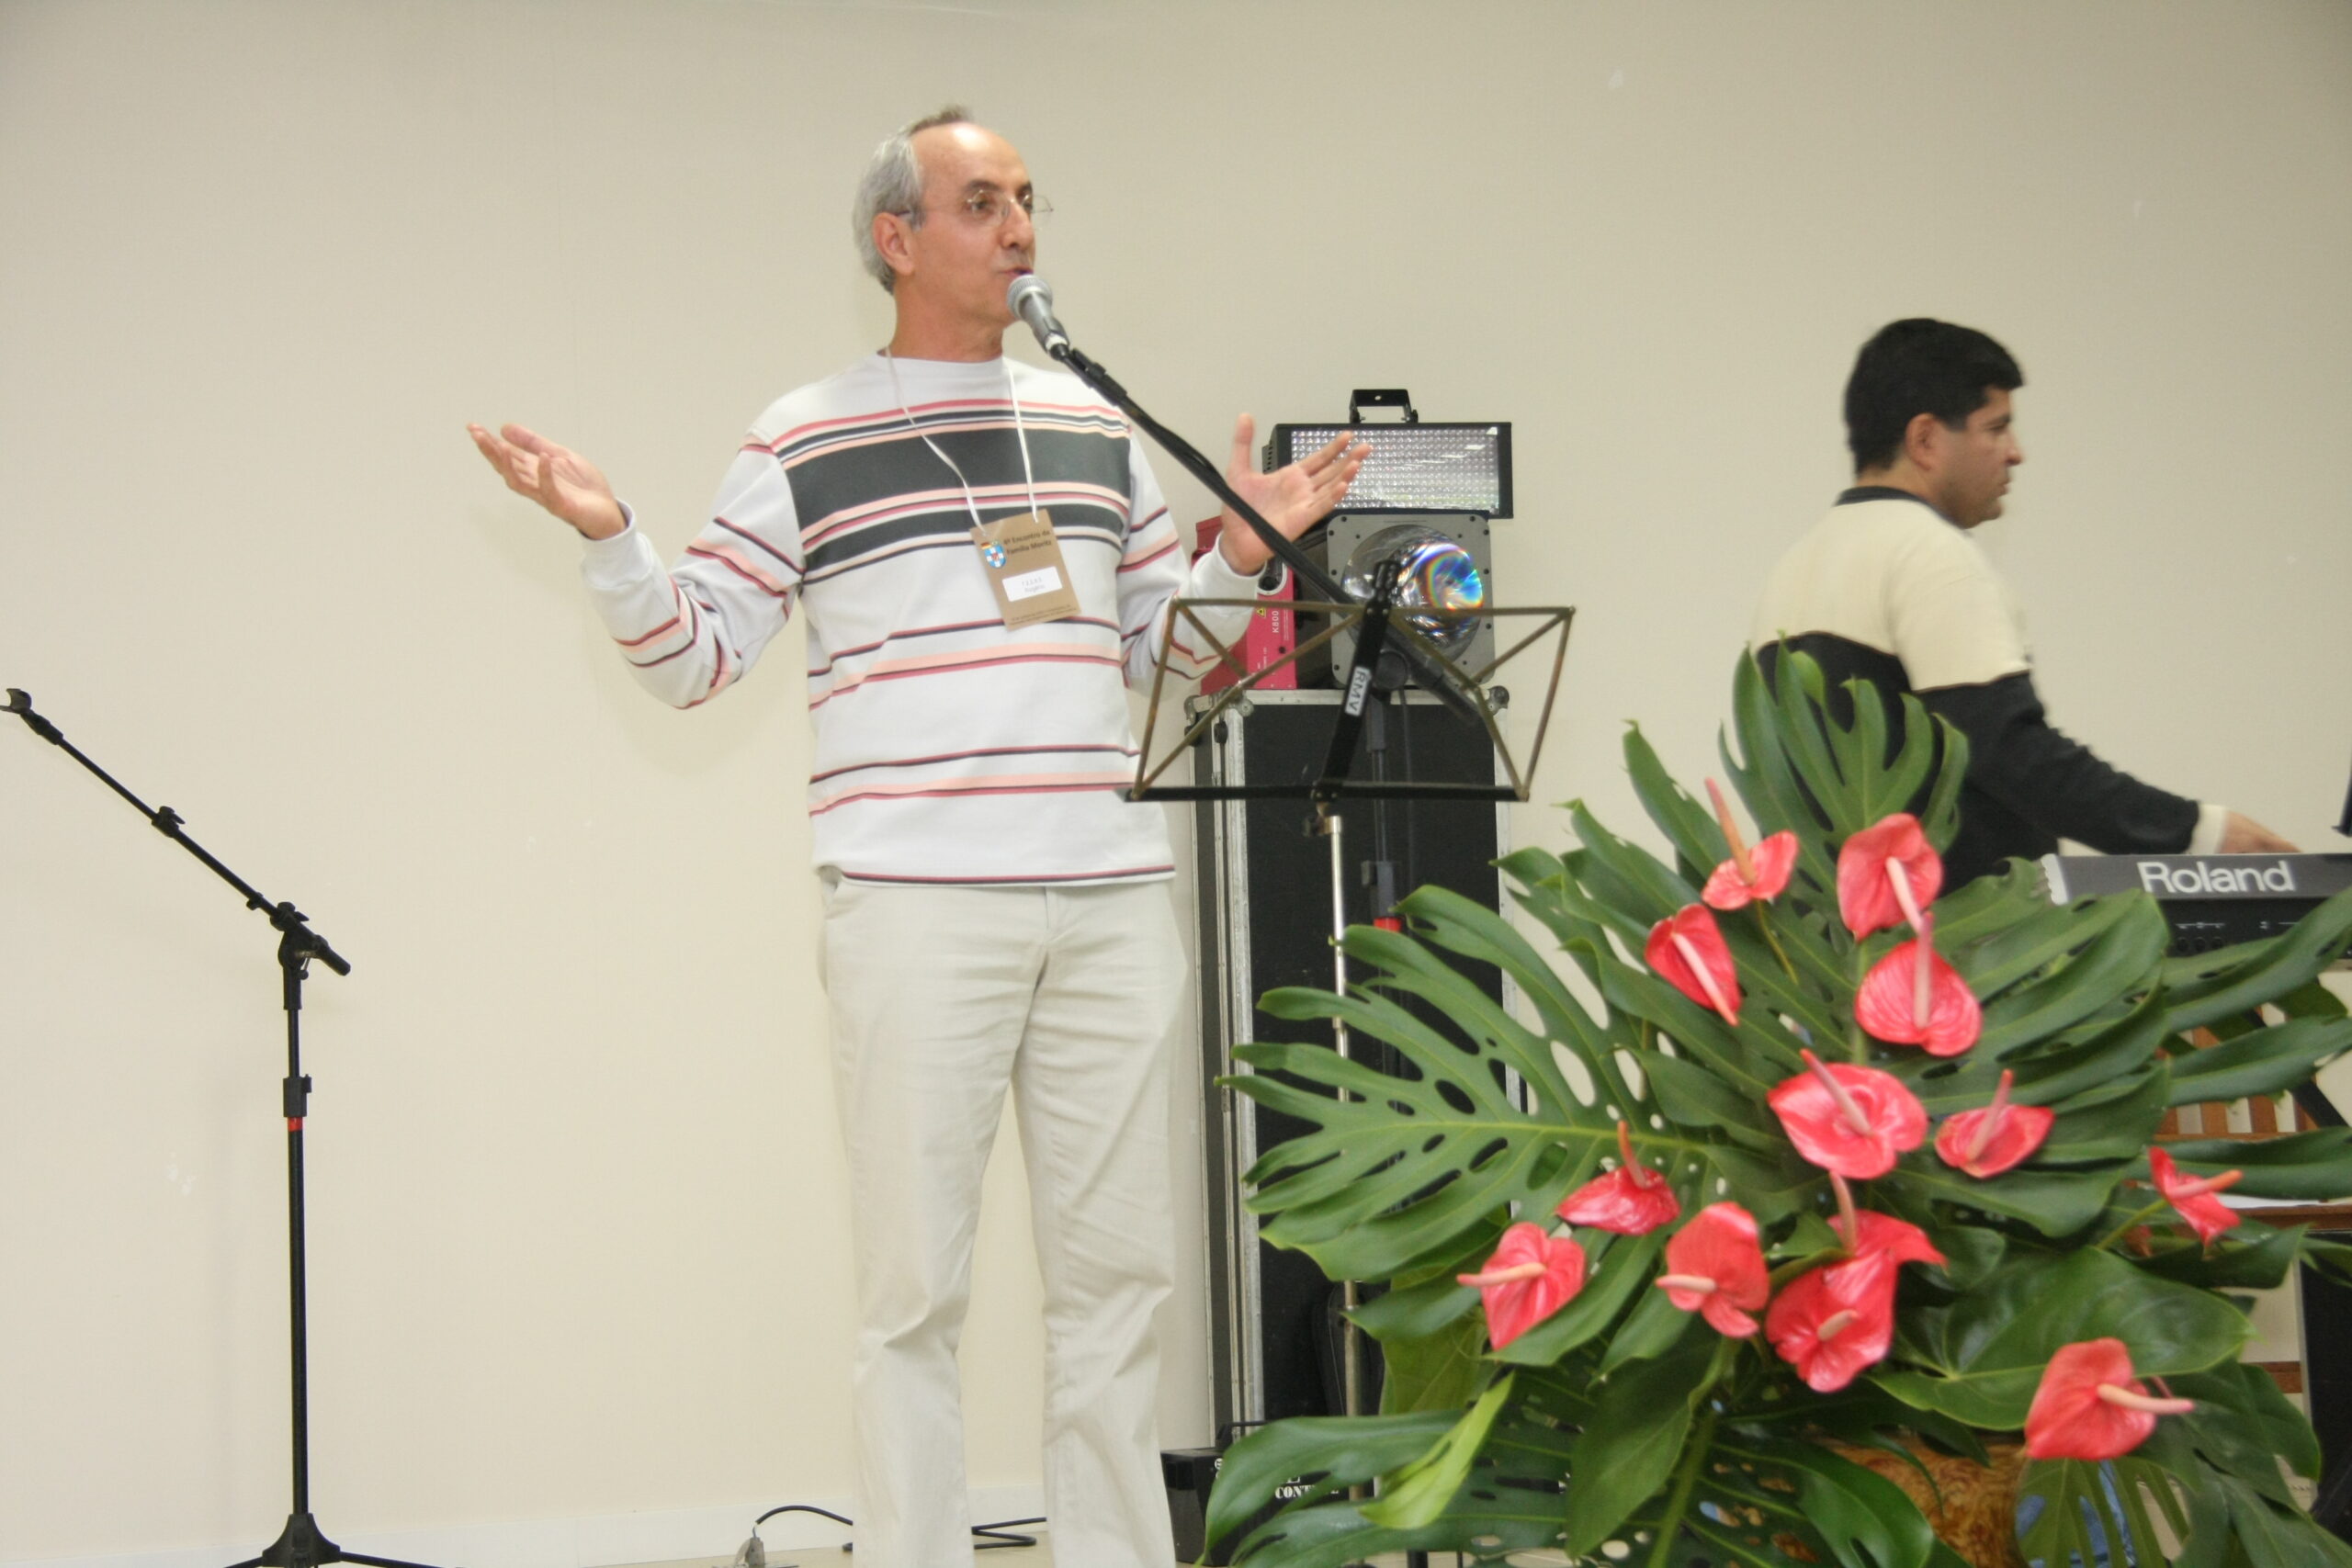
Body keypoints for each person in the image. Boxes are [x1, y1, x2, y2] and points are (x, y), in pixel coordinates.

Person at [469, 107, 1363, 1568]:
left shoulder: (1092, 426)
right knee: (913, 1299)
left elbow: (1169, 657)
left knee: (1120, 1283)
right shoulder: (804, 433)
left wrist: (1243, 556)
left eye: (1029, 199)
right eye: (982, 202)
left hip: (1109, 899)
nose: (1021, 228)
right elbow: (695, 656)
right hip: (915, 904)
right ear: (897, 238)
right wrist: (611, 536)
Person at [1749, 317, 2293, 886]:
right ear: (1926, 440)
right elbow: (2009, 752)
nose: (2016, 453)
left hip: (1831, 932)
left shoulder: (1794, 568)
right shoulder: (1928, 552)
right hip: (1957, 932)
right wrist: (2198, 834)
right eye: (1996, 428)